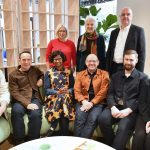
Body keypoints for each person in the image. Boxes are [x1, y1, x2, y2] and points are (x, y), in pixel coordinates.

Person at [99, 50, 148, 150]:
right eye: (126, 59)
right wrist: (112, 107)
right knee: (102, 119)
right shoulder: (115, 76)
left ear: (136, 60)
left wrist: (128, 110)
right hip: (115, 107)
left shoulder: (143, 78)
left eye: (131, 60)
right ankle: (110, 144)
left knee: (123, 127)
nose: (128, 62)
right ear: (123, 60)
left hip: (130, 110)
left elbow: (141, 100)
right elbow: (110, 94)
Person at [9, 51, 43, 145]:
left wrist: (41, 80)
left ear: (31, 60)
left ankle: (33, 141)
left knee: (36, 114)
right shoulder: (13, 75)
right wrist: (27, 104)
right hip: (19, 100)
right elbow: (14, 92)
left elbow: (42, 74)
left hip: (34, 98)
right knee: (16, 112)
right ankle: (19, 142)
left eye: (29, 59)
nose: (26, 62)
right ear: (19, 61)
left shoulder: (35, 70)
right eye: (24, 60)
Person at [74, 54, 109, 138]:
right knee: (79, 119)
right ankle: (75, 143)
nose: (92, 63)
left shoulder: (104, 74)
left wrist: (92, 103)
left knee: (92, 120)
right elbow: (77, 91)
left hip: (98, 104)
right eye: (89, 61)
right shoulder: (80, 74)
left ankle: (82, 144)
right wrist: (84, 101)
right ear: (86, 63)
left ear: (98, 63)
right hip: (83, 102)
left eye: (94, 61)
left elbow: (103, 92)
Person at [106, 7, 145, 76]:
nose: (125, 16)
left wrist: (139, 74)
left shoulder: (138, 31)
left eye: (128, 14)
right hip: (113, 68)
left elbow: (141, 54)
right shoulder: (114, 32)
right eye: (123, 14)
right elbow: (109, 52)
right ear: (120, 17)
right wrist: (106, 70)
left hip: (128, 68)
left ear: (132, 16)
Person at [44, 50, 75, 136]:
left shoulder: (69, 72)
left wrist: (68, 91)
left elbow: (73, 88)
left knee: (63, 98)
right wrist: (57, 92)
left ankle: (53, 127)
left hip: (67, 97)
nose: (57, 61)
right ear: (52, 61)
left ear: (63, 59)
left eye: (59, 59)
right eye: (55, 59)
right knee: (61, 98)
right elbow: (46, 90)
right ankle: (64, 134)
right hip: (53, 98)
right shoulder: (48, 73)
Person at [132, 78, 150, 150]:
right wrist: (147, 120)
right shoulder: (146, 82)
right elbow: (141, 102)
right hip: (144, 115)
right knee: (139, 136)